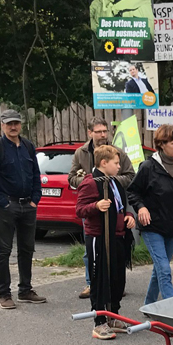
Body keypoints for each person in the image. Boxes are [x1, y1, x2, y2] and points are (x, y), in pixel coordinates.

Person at [0, 109, 46, 309]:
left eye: (16, 123)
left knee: (27, 249)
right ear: (2, 125)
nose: (13, 127)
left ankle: (25, 290)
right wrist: (3, 202)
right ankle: (4, 294)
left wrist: (36, 198)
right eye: (9, 124)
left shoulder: (27, 146)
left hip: (28, 205)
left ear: (20, 124)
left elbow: (35, 174)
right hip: (7, 205)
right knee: (4, 251)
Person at [128, 125, 173, 303]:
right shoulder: (148, 167)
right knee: (165, 269)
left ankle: (149, 305)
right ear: (161, 144)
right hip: (153, 226)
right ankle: (172, 310)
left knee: (160, 269)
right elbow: (133, 192)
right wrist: (141, 207)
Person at [69, 116, 135, 299]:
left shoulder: (116, 152)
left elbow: (130, 176)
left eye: (105, 131)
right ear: (90, 133)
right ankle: (93, 284)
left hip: (115, 207)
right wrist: (91, 182)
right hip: (94, 209)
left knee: (116, 250)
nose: (102, 135)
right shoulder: (81, 152)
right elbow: (72, 177)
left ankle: (114, 286)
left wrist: (110, 180)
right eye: (98, 131)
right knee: (91, 249)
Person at [75, 145, 137, 340]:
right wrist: (96, 206)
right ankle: (99, 322)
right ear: (104, 163)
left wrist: (127, 216)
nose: (119, 167)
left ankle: (113, 315)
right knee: (100, 279)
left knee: (117, 278)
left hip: (118, 236)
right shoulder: (91, 183)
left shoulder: (114, 182)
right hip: (99, 238)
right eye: (116, 163)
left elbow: (120, 206)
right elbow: (80, 209)